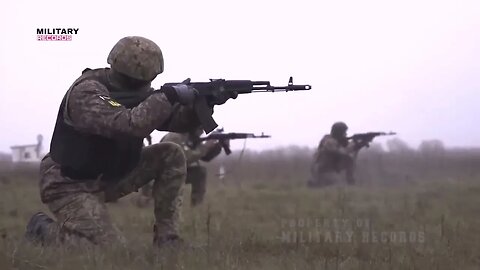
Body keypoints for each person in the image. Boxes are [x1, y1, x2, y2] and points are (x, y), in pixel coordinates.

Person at [24, 36, 236, 248]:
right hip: (68, 183)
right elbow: (128, 125)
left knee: (171, 153)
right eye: (136, 81)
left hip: (111, 175)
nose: (142, 87)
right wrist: (167, 96)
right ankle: (43, 229)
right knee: (111, 252)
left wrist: (203, 105)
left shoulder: (140, 94)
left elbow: (174, 120)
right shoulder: (87, 92)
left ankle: (167, 238)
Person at [138, 127, 225, 207]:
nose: (201, 132)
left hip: (173, 173)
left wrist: (217, 146)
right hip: (163, 176)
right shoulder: (175, 137)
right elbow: (184, 158)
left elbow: (205, 158)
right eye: (200, 129)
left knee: (200, 172)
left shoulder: (187, 138)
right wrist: (205, 147)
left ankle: (197, 207)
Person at [307, 122, 363, 187]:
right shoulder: (329, 141)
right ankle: (317, 182)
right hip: (321, 169)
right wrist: (354, 145)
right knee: (335, 185)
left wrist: (357, 147)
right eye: (344, 132)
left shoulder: (336, 141)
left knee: (349, 160)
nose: (346, 134)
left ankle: (349, 181)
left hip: (327, 168)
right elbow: (342, 152)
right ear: (339, 133)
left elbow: (347, 152)